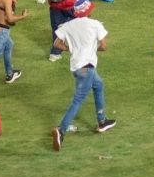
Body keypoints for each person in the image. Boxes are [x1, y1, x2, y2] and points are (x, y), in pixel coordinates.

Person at [49, 12, 115, 152]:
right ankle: (61, 130)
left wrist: (71, 49)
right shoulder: (95, 24)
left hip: (77, 67)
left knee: (98, 85)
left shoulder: (68, 25)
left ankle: (102, 121)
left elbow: (56, 43)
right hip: (87, 69)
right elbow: (103, 46)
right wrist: (91, 49)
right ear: (89, 11)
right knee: (78, 101)